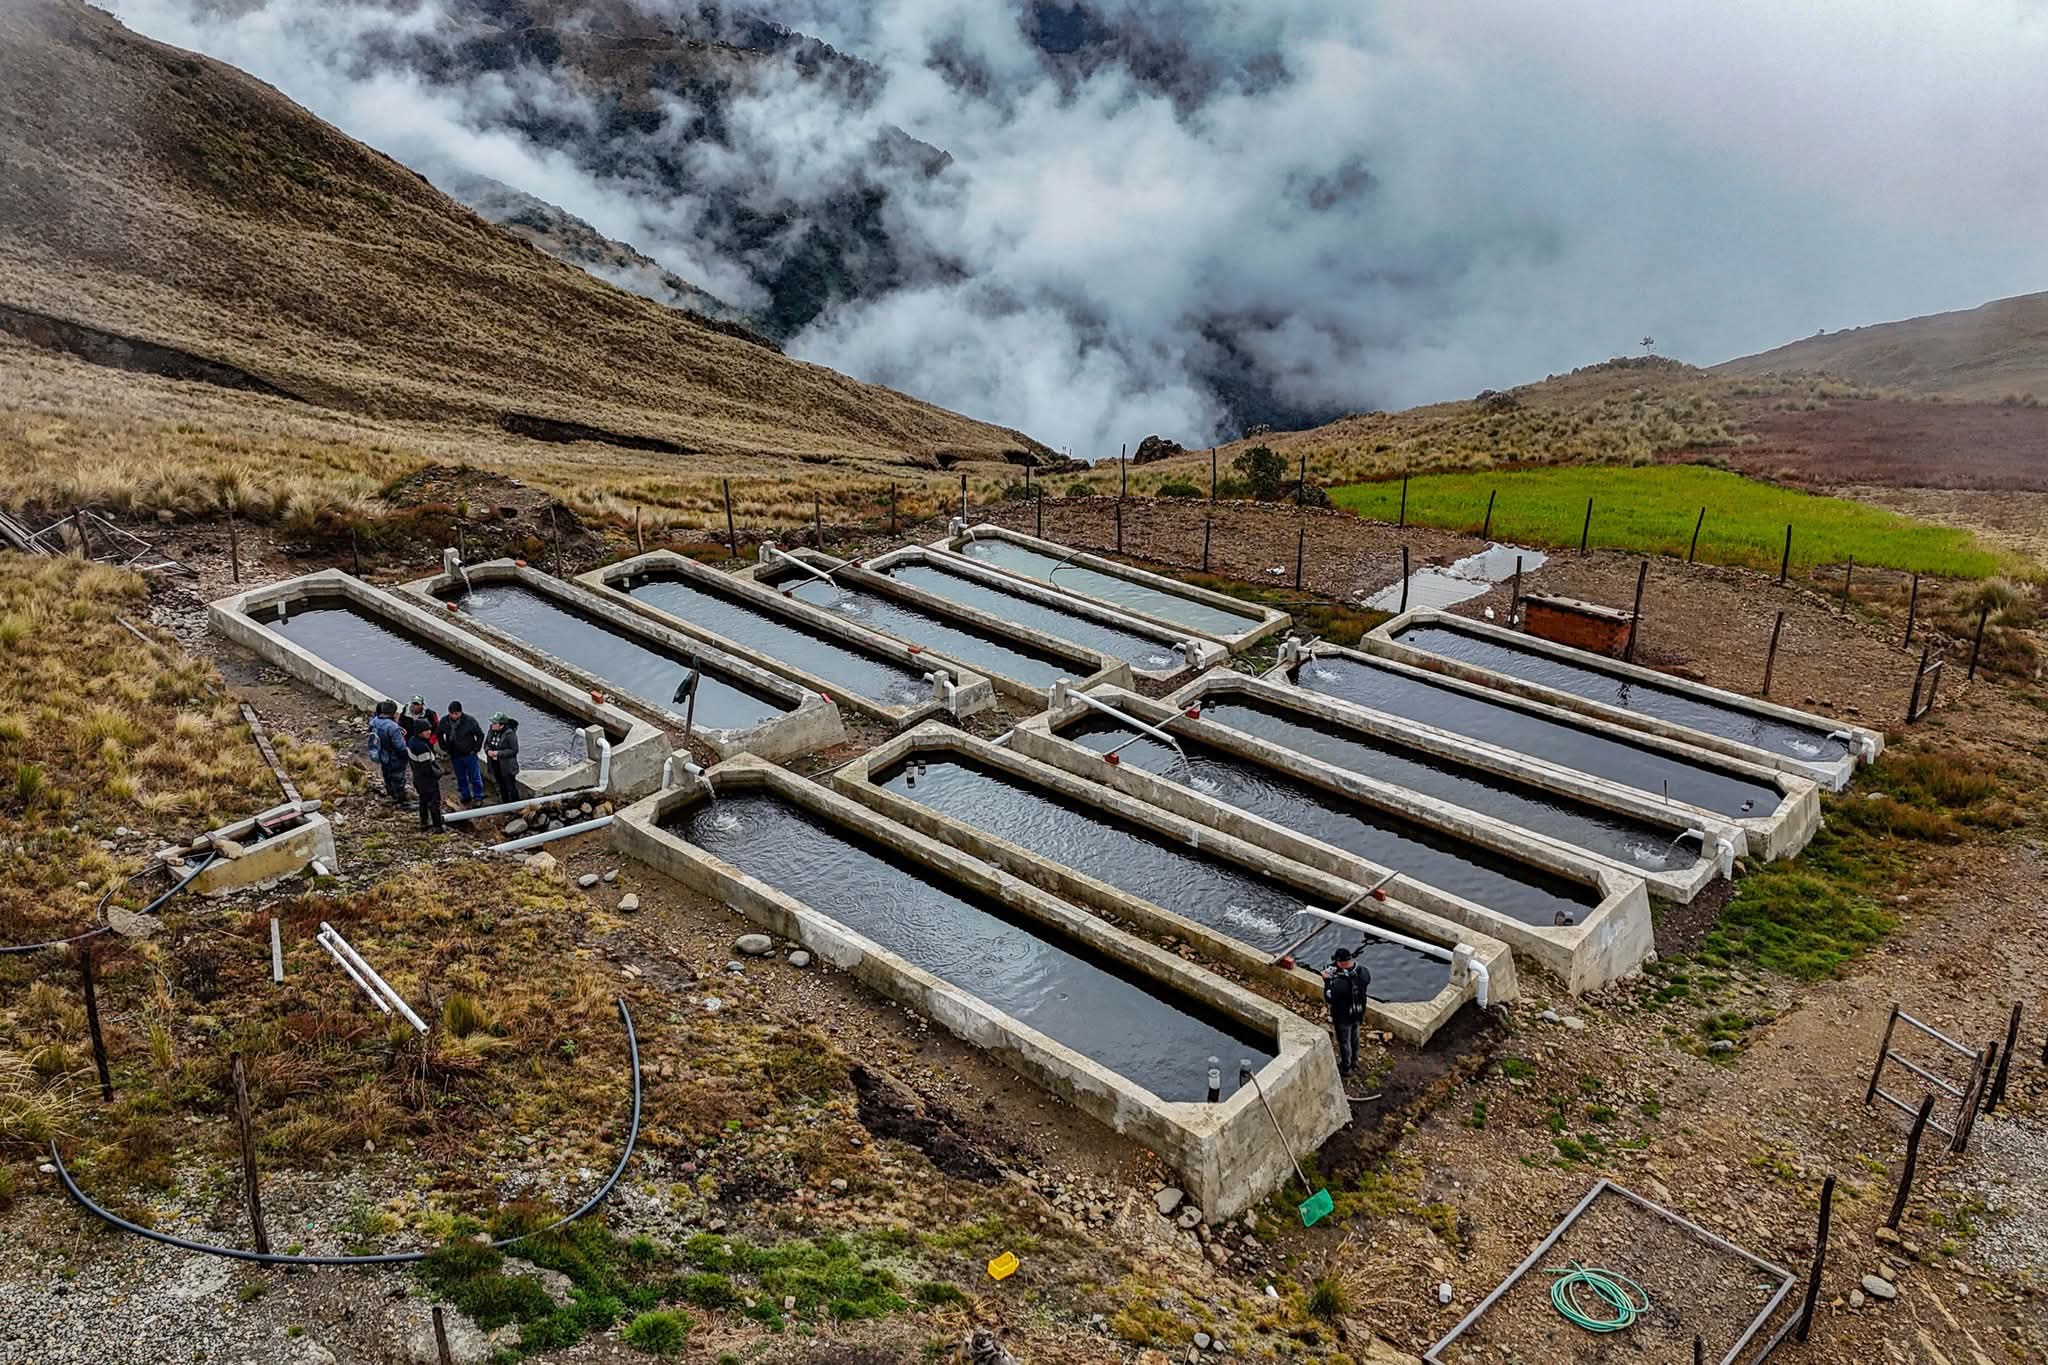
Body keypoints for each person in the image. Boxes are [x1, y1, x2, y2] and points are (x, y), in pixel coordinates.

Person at [1321, 946, 1371, 1078]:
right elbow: (1359, 981)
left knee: (1344, 1042)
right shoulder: (1363, 972)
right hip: (1358, 1012)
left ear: (1340, 962)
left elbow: (1329, 997)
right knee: (1355, 1036)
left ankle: (1346, 1067)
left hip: (1343, 1016)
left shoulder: (1340, 984)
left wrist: (1327, 981)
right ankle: (1355, 1060)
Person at [437, 700, 486, 805]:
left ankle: (478, 796)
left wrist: (476, 749)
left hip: (469, 754)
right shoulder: (444, 721)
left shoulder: (469, 721)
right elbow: (439, 733)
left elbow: (480, 735)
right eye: (452, 714)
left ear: (460, 712)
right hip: (455, 754)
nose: (454, 716)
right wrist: (443, 746)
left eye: (456, 714)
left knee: (475, 777)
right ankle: (465, 795)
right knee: (461, 777)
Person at [368, 700, 410, 806]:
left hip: (382, 754)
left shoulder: (375, 721)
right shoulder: (392, 727)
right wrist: (406, 756)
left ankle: (390, 793)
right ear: (392, 712)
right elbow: (400, 746)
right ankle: (401, 801)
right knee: (398, 778)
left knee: (387, 774)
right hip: (394, 757)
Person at [408, 731, 446, 832]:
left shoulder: (411, 741)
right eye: (426, 730)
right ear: (419, 732)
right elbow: (427, 767)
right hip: (428, 780)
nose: (429, 732)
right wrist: (438, 773)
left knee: (423, 800)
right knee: (434, 802)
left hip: (418, 778)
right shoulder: (421, 747)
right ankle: (437, 826)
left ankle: (424, 822)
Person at [484, 711, 521, 802]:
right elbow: (486, 744)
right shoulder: (491, 731)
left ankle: (516, 804)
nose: (492, 725)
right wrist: (488, 751)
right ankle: (505, 804)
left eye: (495, 723)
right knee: (501, 786)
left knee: (511, 787)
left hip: (507, 767)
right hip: (495, 764)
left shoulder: (510, 734)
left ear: (501, 725)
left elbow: (514, 750)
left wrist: (498, 753)